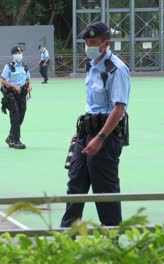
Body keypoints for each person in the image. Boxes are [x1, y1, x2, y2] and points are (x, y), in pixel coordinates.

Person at [60, 21, 130, 228]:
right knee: (75, 185)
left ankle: (112, 241)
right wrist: (79, 131)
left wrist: (100, 138)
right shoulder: (92, 65)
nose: (88, 45)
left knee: (104, 190)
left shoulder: (116, 69)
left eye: (93, 42)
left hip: (105, 137)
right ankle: (66, 238)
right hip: (86, 132)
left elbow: (119, 108)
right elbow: (93, 105)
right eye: (86, 42)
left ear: (106, 43)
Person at [0, 46, 32, 149]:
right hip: (12, 95)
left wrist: (29, 85)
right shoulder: (9, 66)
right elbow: (3, 80)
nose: (19, 54)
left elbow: (28, 79)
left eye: (20, 52)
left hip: (22, 94)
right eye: (17, 52)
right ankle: (16, 140)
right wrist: (14, 86)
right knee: (15, 117)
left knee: (21, 116)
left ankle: (10, 136)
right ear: (13, 55)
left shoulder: (24, 66)